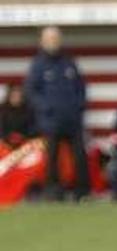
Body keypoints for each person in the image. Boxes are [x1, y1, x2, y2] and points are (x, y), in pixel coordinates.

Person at [24, 26, 90, 202]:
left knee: (80, 157)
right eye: (50, 38)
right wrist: (46, 109)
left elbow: (81, 87)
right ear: (42, 41)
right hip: (50, 122)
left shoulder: (69, 62)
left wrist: (78, 107)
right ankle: (54, 193)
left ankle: (82, 193)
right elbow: (31, 92)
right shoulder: (38, 65)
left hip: (72, 120)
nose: (53, 41)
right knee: (52, 159)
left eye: (56, 38)